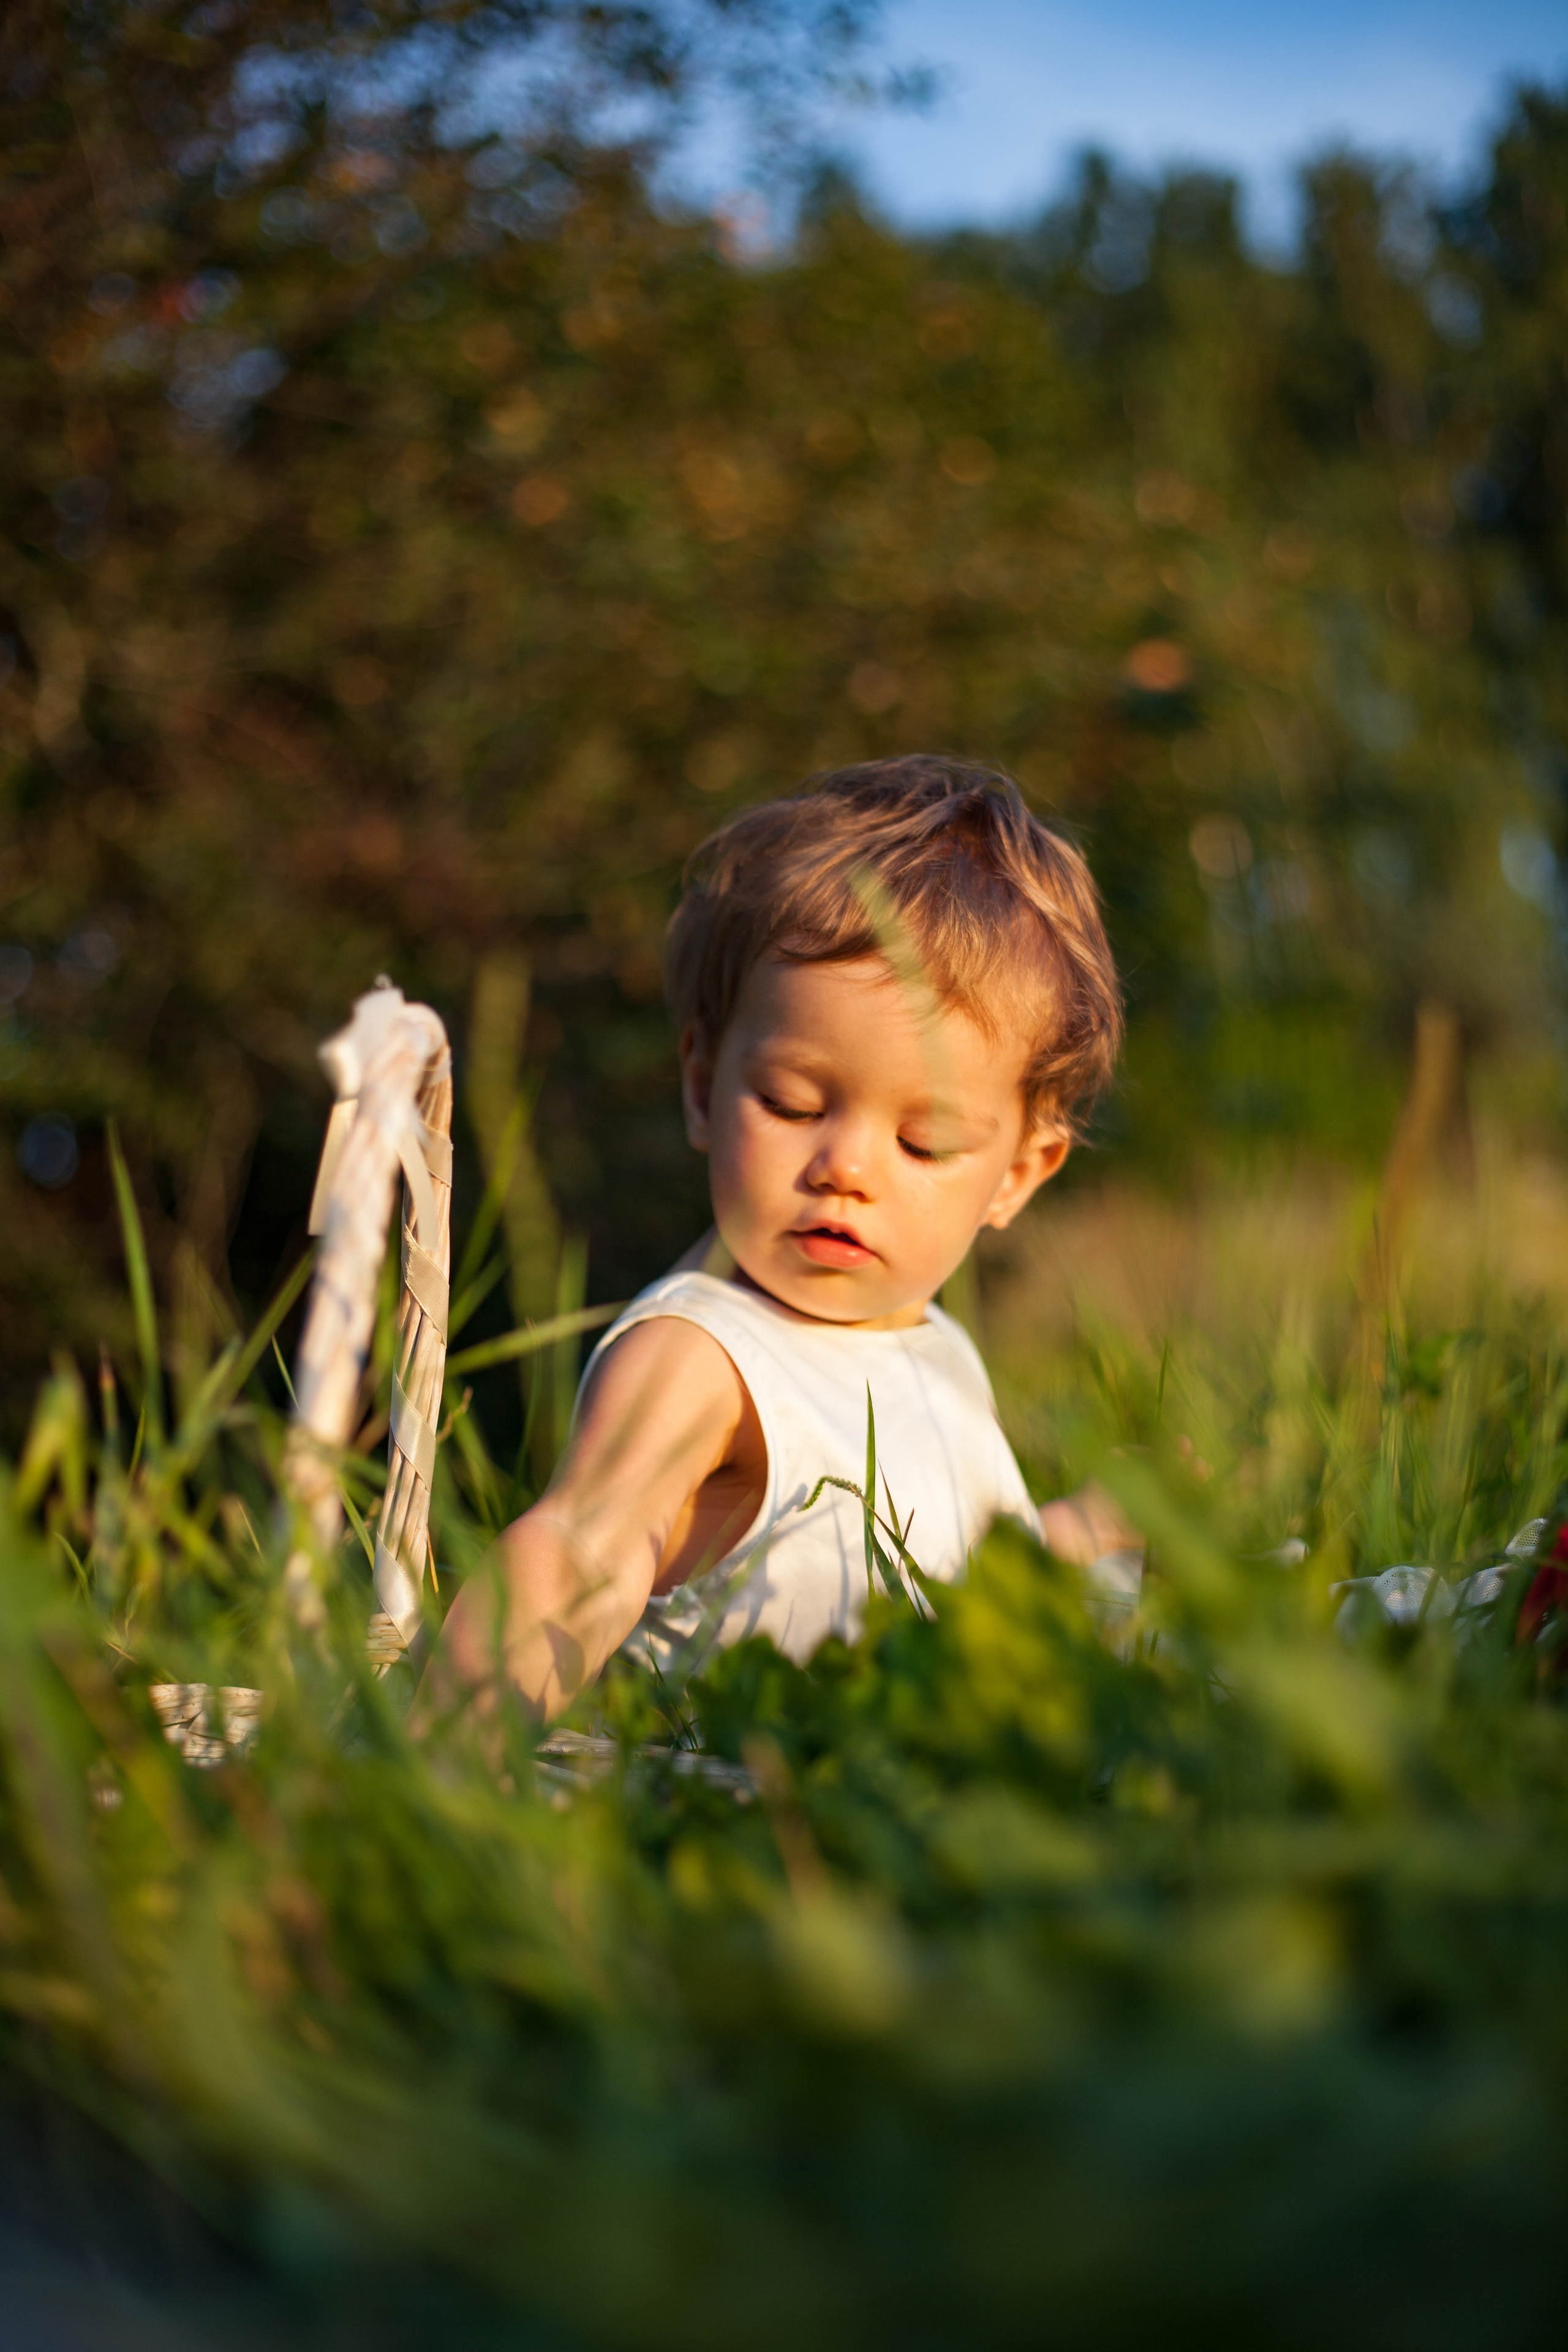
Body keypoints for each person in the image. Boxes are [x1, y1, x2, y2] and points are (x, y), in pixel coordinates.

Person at [421, 755, 1136, 1725]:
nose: (845, 1166)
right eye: (791, 1104)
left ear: (1014, 1174)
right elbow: (582, 1550)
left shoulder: (935, 1354)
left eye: (923, 1143)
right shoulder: (704, 1356)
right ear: (701, 1084)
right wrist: (450, 1741)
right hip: (754, 1806)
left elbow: (952, 1584)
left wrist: (1084, 1528)